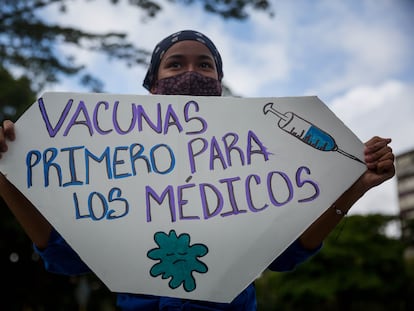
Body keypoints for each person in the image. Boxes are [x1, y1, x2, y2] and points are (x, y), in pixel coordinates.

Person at [0, 30, 395, 310]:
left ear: (219, 84)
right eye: (175, 64)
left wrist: (353, 186)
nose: (192, 72)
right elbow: (65, 256)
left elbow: (287, 253)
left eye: (205, 65)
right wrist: (5, 176)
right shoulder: (111, 162)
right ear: (152, 87)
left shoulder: (261, 155)